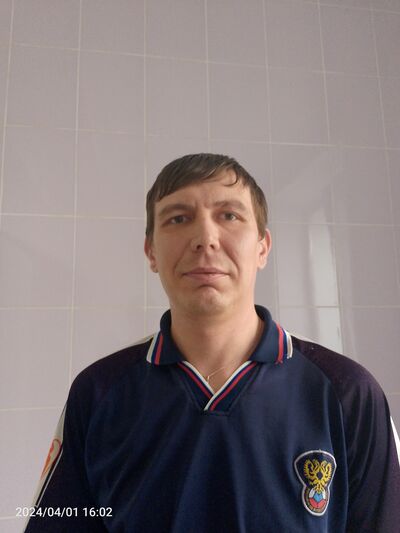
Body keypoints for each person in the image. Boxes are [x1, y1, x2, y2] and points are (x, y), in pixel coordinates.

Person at [24, 153, 400, 532]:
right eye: (178, 218)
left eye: (229, 216)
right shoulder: (97, 393)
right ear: (151, 251)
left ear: (263, 247)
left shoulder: (348, 392)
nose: (205, 239)